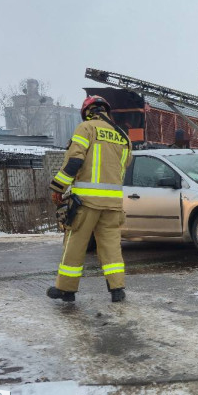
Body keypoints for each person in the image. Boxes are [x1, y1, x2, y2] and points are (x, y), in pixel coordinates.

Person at [47, 95, 133, 303]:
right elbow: (124, 165)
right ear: (106, 111)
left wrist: (58, 187)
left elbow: (74, 160)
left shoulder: (86, 129)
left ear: (87, 112)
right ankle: (117, 290)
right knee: (111, 246)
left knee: (75, 243)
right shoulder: (123, 137)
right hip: (113, 204)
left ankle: (66, 290)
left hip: (86, 202)